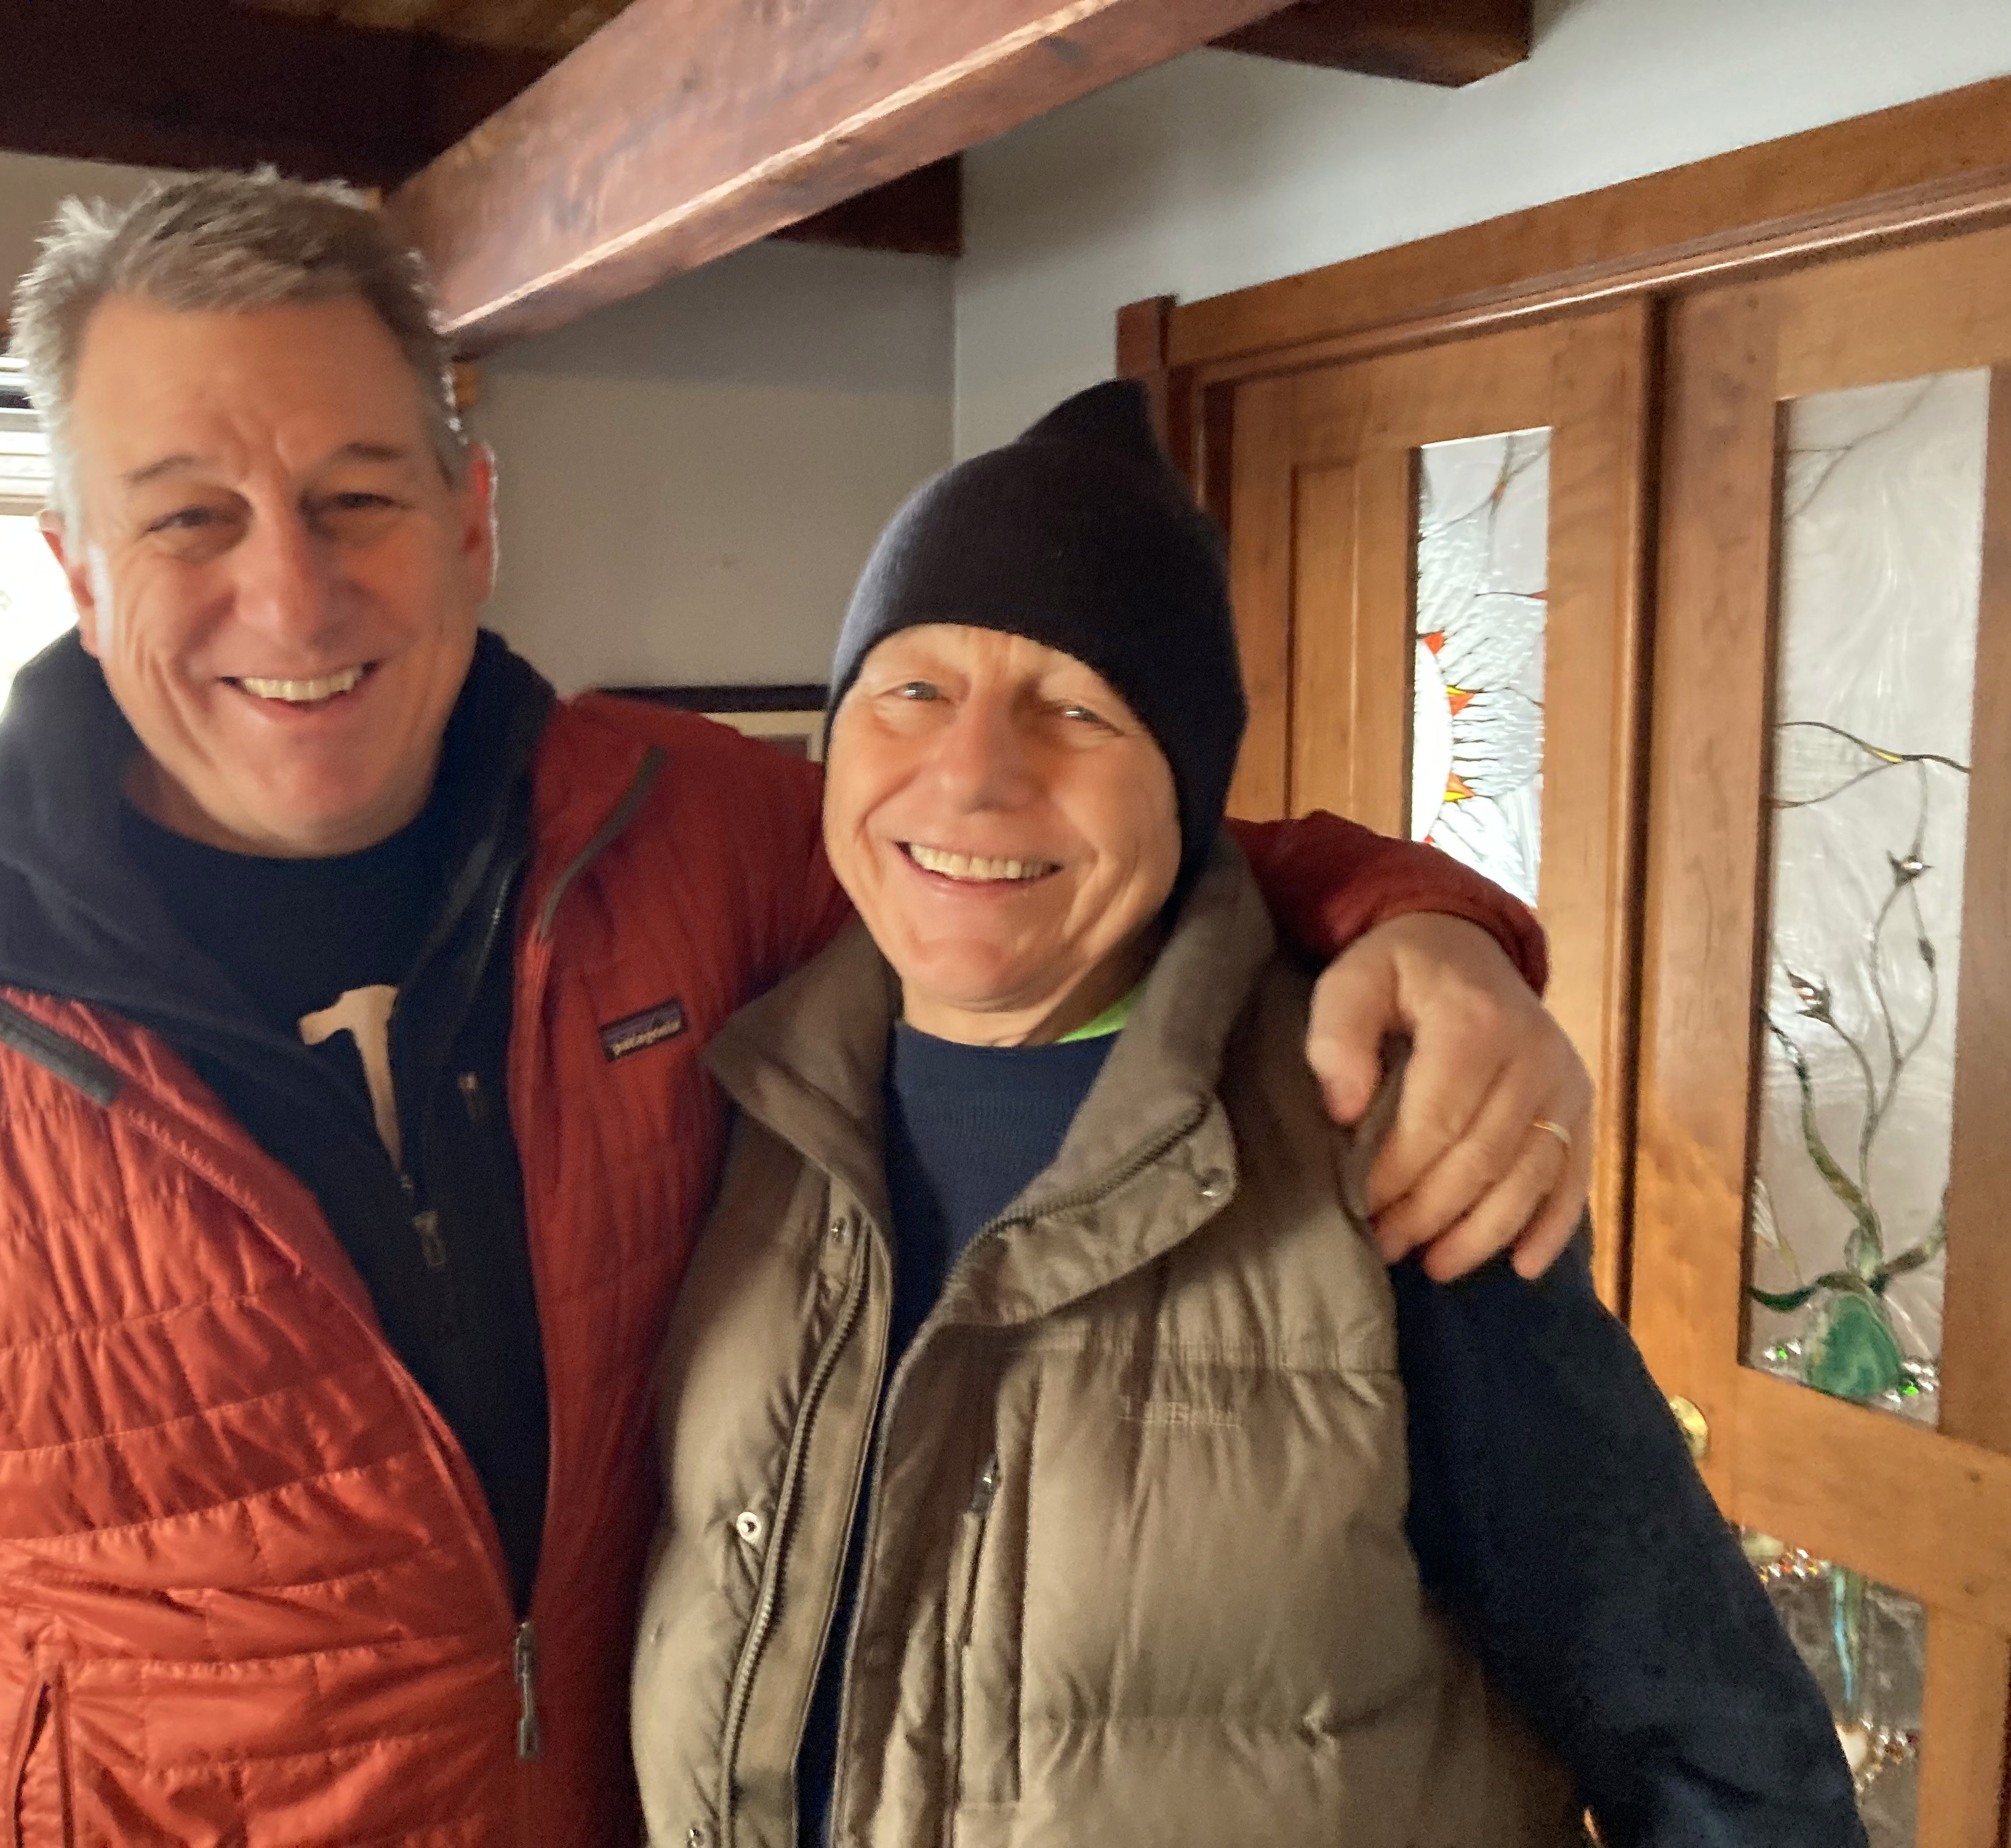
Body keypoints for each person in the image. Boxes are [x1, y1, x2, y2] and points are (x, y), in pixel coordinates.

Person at [0, 175, 1589, 1847]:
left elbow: (1057, 852)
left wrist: (1425, 925)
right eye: (189, 515)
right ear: (74, 567)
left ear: (473, 516)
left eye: (358, 498)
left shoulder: (693, 839)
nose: (292, 597)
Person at [631, 381, 1864, 1848]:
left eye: (1076, 710)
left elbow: (1719, 1753)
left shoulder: (1393, 1149)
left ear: (1188, 784)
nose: (972, 774)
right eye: (913, 691)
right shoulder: (736, 1097)